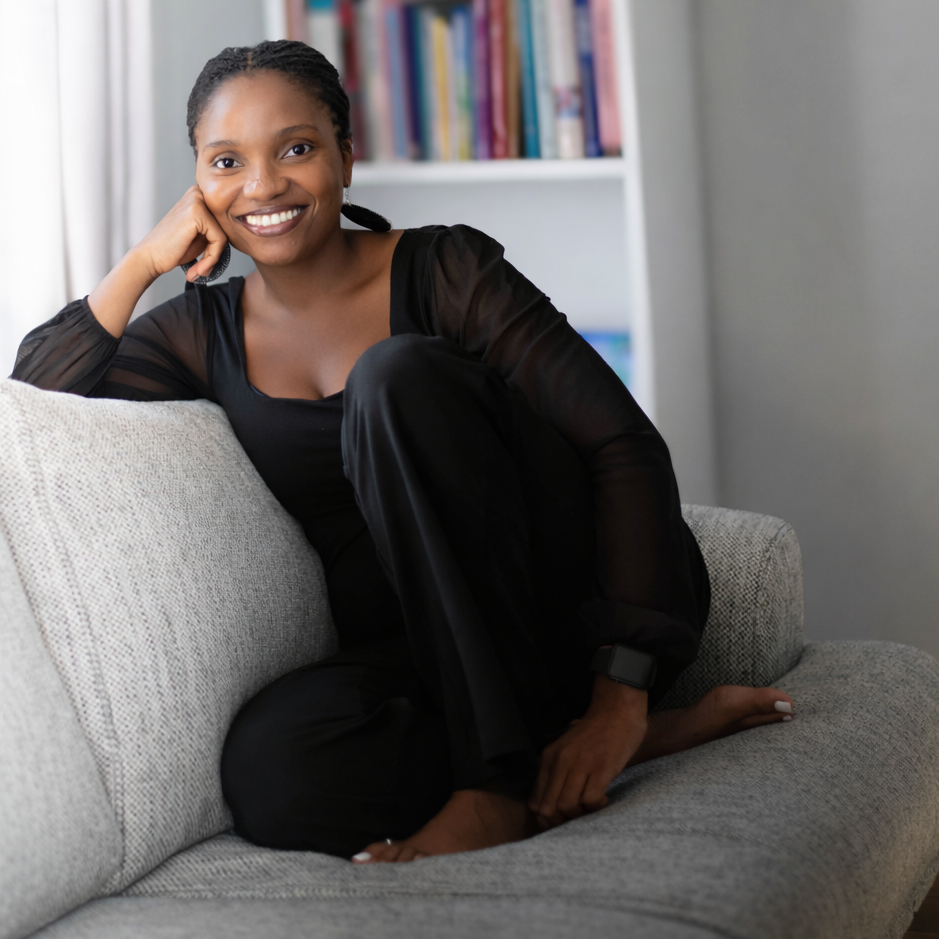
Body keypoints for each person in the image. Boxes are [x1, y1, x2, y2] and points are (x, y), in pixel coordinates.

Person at [12, 40, 795, 865]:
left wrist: (620, 695)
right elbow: (31, 405)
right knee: (272, 773)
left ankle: (498, 789)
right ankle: (558, 749)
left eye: (296, 149)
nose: (262, 185)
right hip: (436, 660)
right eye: (226, 161)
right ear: (198, 184)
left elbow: (621, 443)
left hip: (561, 606)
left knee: (394, 377)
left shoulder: (445, 270)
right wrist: (142, 261)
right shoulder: (199, 333)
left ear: (346, 158)